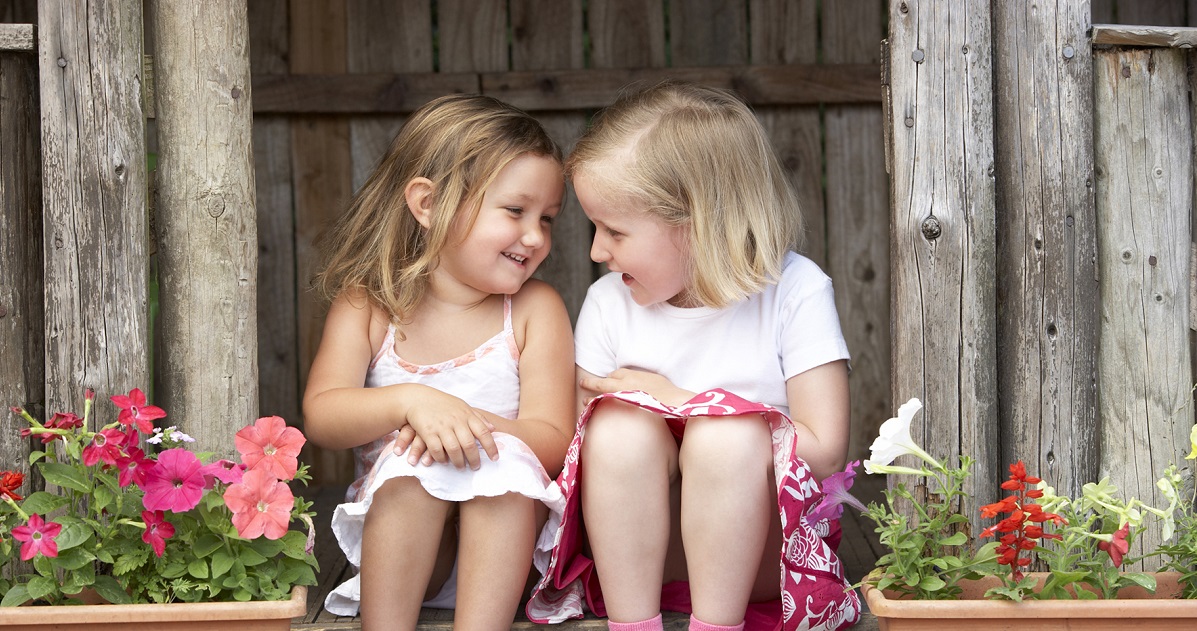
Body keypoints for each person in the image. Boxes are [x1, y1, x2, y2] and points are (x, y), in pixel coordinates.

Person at [525, 81, 861, 631]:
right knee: (615, 427)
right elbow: (578, 455)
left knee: (726, 438)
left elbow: (823, 452)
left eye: (614, 230)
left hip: (758, 562)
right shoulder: (608, 303)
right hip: (639, 564)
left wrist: (681, 401)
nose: (596, 250)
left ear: (697, 223)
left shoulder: (795, 291)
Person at [303, 94, 576, 631]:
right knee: (413, 467)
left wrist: (464, 426)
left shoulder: (534, 309)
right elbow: (323, 417)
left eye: (547, 219)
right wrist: (414, 402)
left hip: (503, 557)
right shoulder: (368, 305)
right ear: (427, 204)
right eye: (515, 211)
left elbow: (552, 441)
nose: (535, 236)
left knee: (504, 470)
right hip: (403, 556)